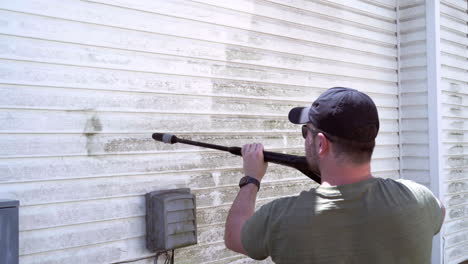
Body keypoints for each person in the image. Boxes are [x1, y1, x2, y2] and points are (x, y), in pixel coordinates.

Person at [224, 87, 445, 263]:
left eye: (305, 132)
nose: (305, 140)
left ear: (321, 143)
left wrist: (251, 179)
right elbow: (440, 211)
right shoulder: (419, 199)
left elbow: (235, 236)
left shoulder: (280, 217)